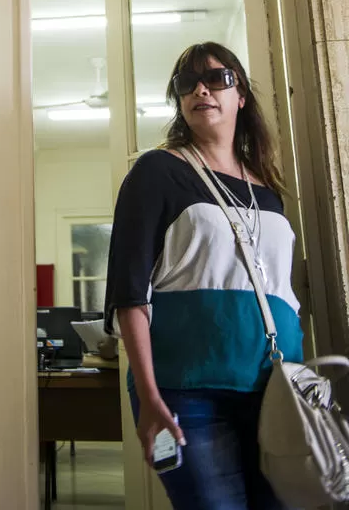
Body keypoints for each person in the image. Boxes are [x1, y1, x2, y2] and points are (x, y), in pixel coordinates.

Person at [104, 42, 303, 510]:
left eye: (216, 79)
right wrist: (148, 395)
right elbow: (129, 292)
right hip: (186, 393)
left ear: (241, 96)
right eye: (186, 83)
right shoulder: (158, 171)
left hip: (275, 388)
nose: (200, 90)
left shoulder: (267, 189)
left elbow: (283, 291)